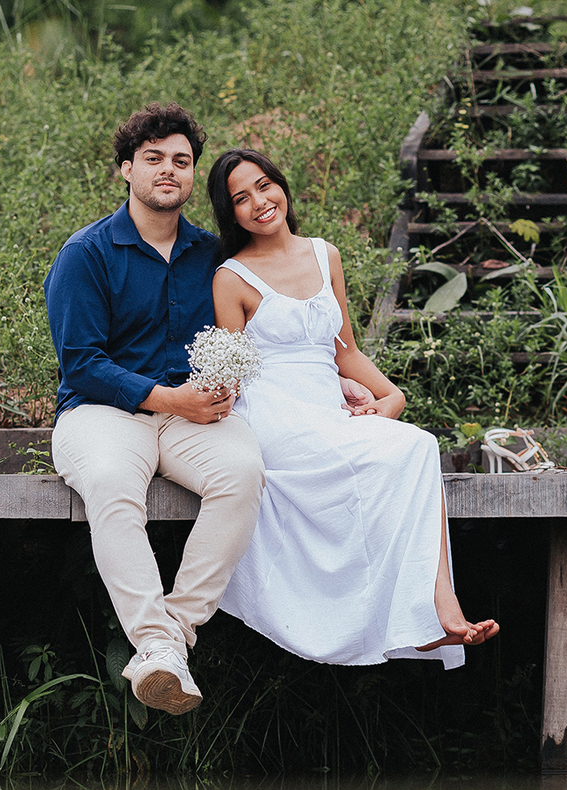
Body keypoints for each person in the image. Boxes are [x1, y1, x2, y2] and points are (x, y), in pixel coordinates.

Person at [208, 148, 500, 668]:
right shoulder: (231, 277)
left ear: (283, 186)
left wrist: (393, 395)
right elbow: (233, 369)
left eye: (264, 185)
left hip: (324, 407)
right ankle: (437, 608)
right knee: (412, 448)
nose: (259, 202)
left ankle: (431, 612)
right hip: (274, 412)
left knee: (416, 444)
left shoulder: (325, 255)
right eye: (241, 198)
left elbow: (344, 349)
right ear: (231, 215)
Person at [44, 104, 267, 716]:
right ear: (126, 169)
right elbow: (82, 363)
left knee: (243, 473)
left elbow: (267, 320)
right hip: (101, 413)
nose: (168, 170)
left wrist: (342, 383)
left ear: (194, 175)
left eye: (182, 161)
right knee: (114, 483)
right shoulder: (86, 253)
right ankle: (156, 642)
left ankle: (171, 640)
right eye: (153, 159)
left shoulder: (212, 256)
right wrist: (171, 400)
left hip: (189, 416)